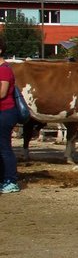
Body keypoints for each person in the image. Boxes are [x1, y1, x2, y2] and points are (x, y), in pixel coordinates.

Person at [0, 41, 20, 194]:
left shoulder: (4, 70)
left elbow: (2, 93)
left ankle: (11, 181)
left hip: (5, 113)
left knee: (5, 148)